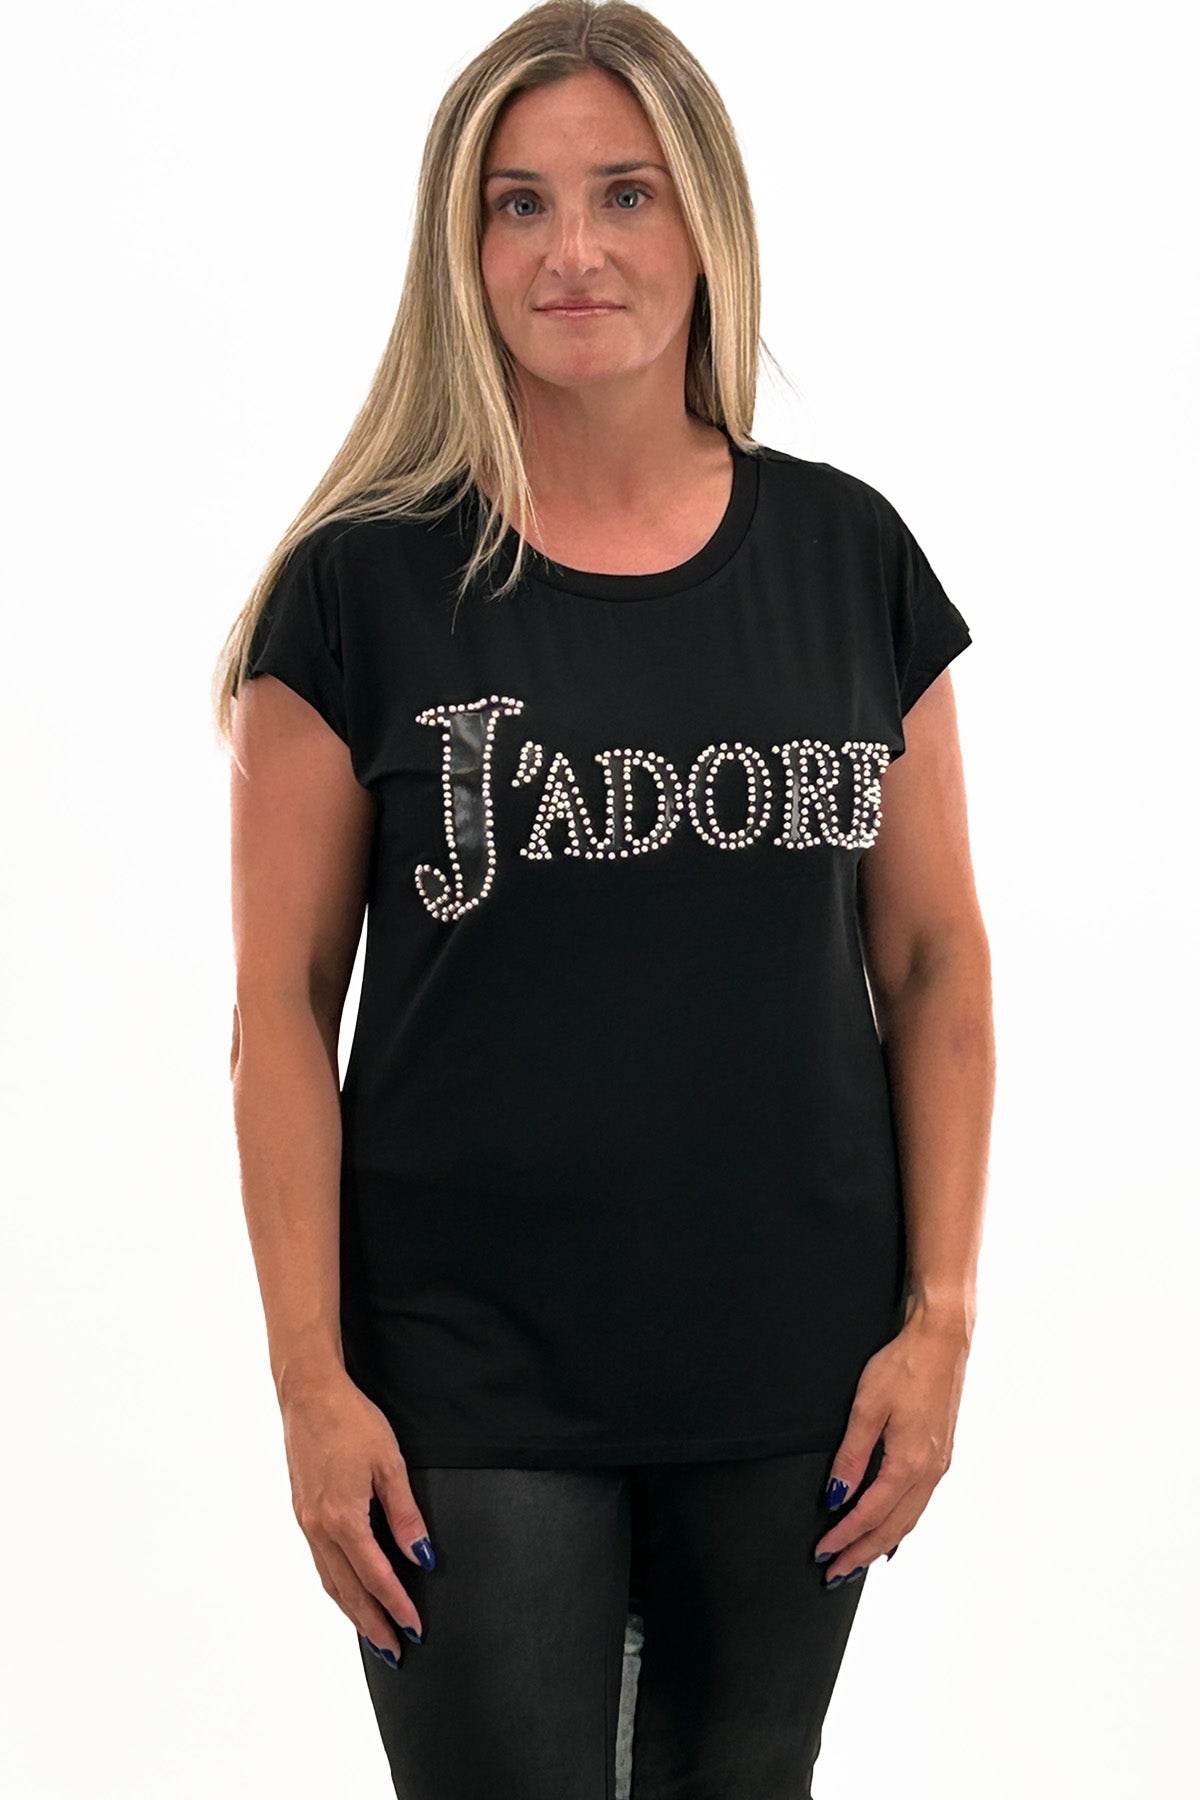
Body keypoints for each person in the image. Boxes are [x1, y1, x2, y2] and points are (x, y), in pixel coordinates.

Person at [217, 4, 994, 1795]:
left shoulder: (850, 558)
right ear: (464, 245)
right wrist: (312, 1383)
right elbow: (279, 1008)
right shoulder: (356, 596)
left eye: (625, 194)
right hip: (465, 1378)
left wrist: (940, 1317)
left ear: (705, 219)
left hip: (796, 1366)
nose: (573, 250)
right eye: (520, 203)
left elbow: (936, 958)